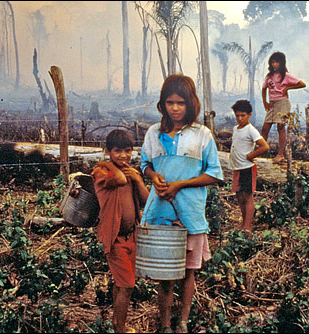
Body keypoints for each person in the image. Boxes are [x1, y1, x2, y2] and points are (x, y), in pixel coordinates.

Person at [140, 74, 223, 333]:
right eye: (169, 102)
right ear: (162, 104)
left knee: (188, 272)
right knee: (165, 275)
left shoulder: (202, 135)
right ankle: (164, 324)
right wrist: (154, 177)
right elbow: (145, 165)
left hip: (190, 215)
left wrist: (180, 185)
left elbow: (214, 174)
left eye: (180, 103)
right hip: (160, 214)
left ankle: (183, 323)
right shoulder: (154, 133)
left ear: (191, 103)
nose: (175, 108)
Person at [91, 129, 150, 333]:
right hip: (114, 238)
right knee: (127, 285)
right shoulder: (101, 172)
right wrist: (107, 164)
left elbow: (146, 200)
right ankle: (120, 328)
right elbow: (118, 180)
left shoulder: (130, 174)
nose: (124, 156)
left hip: (131, 236)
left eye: (128, 151)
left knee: (121, 283)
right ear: (107, 151)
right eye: (117, 151)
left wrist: (138, 180)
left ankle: (117, 323)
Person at [228, 100, 269, 232]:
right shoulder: (235, 129)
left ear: (249, 115)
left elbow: (264, 146)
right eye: (237, 115)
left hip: (247, 167)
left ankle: (247, 226)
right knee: (239, 196)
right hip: (237, 167)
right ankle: (243, 222)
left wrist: (251, 155)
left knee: (247, 196)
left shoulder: (251, 130)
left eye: (243, 115)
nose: (240, 118)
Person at [261, 51, 306, 164]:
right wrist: (265, 102)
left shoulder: (286, 75)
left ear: (281, 63)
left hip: (282, 103)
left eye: (277, 62)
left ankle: (280, 154)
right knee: (265, 128)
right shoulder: (269, 76)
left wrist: (288, 88)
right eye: (272, 62)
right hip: (272, 103)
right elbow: (264, 89)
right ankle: (260, 151)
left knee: (280, 127)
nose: (274, 64)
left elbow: (302, 84)